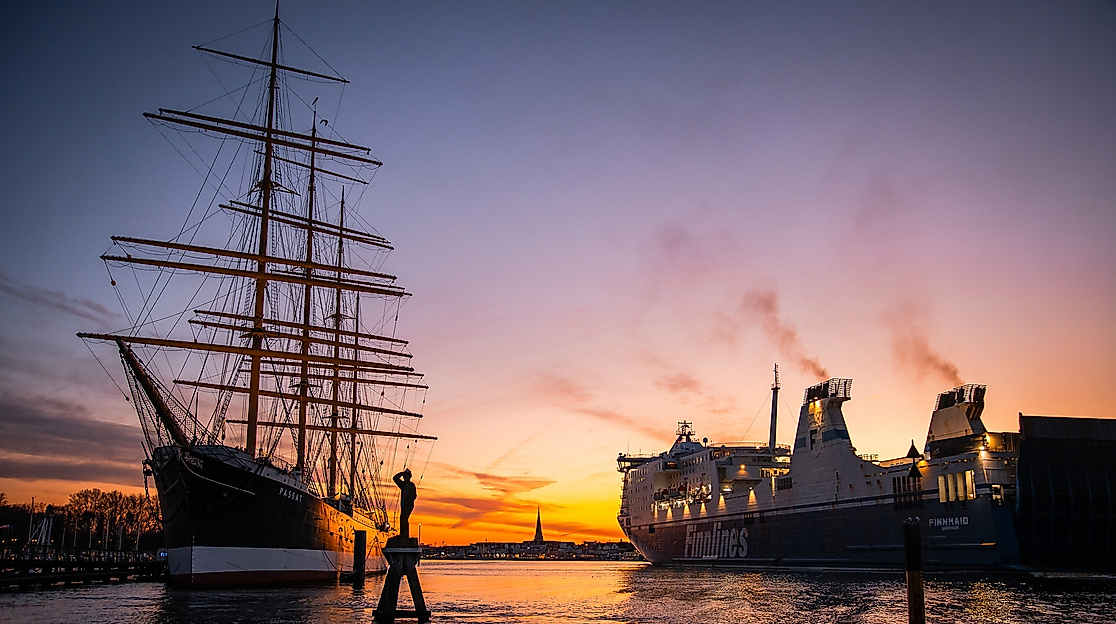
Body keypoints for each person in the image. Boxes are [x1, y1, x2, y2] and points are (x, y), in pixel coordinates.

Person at [393, 468, 417, 539]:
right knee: (403, 518)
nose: (405, 477)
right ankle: (403, 534)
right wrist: (401, 473)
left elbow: (414, 495)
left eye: (407, 476)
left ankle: (404, 535)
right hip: (404, 505)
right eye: (405, 476)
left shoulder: (411, 485)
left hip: (408, 505)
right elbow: (395, 478)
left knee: (404, 518)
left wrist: (408, 501)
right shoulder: (403, 485)